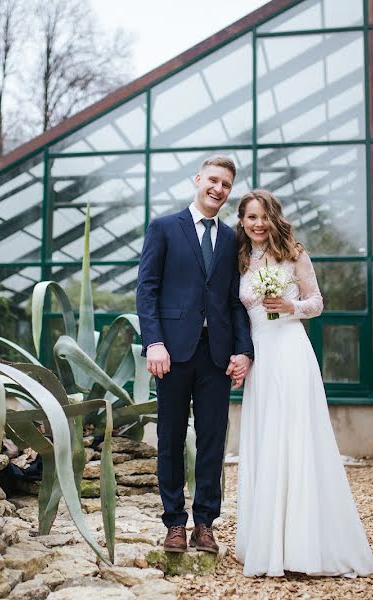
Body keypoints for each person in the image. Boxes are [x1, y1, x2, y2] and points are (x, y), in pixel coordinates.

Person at [233, 189, 373, 577]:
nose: (258, 224)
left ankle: (302, 546)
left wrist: (290, 307)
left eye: (263, 216)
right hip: (261, 358)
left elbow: (317, 302)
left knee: (295, 438)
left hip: (292, 351)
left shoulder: (294, 253)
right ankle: (265, 541)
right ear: (242, 222)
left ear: (273, 217)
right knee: (267, 440)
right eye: (250, 217)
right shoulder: (241, 258)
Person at [136, 155, 253, 554]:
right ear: (198, 179)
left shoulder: (234, 238)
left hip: (216, 356)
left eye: (226, 185)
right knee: (169, 439)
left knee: (212, 440)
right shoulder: (164, 227)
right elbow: (147, 289)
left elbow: (236, 302)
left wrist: (244, 350)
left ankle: (205, 523)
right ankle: (173, 523)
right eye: (213, 180)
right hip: (171, 352)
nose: (218, 189)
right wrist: (154, 342)